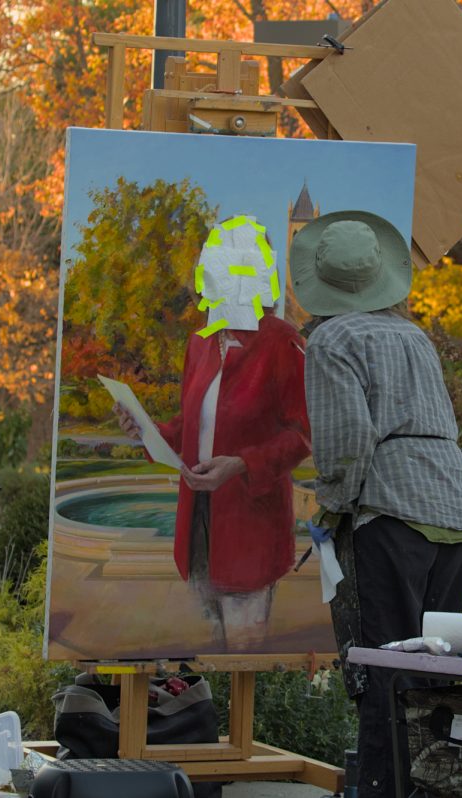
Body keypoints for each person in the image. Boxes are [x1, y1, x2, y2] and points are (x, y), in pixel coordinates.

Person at [291, 210, 462, 798]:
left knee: (384, 671)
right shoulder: (412, 334)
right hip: (453, 506)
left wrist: (333, 506)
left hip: (392, 514)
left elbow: (346, 442)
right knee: (433, 672)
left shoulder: (330, 339)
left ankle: (381, 789)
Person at [116, 215, 310, 651]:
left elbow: (303, 435)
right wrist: (143, 430)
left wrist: (242, 465)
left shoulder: (281, 341)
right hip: (199, 524)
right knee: (207, 655)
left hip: (251, 527)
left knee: (242, 657)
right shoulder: (200, 342)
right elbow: (188, 430)